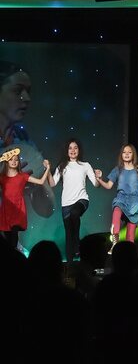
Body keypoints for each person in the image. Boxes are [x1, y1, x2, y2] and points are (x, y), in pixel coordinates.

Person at [0, 61, 54, 220]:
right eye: (18, 91)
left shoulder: (24, 140)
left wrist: (36, 185)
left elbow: (46, 209)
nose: (27, 98)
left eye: (28, 91)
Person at [96, 144, 138, 251]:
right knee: (117, 210)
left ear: (133, 154)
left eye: (129, 152)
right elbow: (109, 185)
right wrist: (99, 179)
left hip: (134, 203)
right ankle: (115, 240)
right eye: (124, 152)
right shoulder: (118, 170)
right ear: (121, 154)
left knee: (130, 236)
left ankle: (129, 253)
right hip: (121, 199)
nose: (127, 154)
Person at [49, 139, 100, 262]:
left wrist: (98, 177)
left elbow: (96, 184)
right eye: (70, 148)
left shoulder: (85, 165)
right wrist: (48, 169)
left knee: (75, 213)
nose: (73, 150)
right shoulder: (62, 166)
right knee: (68, 234)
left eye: (75, 147)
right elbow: (52, 183)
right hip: (66, 203)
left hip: (82, 200)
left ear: (79, 150)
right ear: (67, 151)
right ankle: (70, 265)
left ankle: (77, 245)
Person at [0, 153, 51, 250]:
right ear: (6, 161)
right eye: (11, 159)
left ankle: (14, 255)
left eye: (16, 159)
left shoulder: (22, 176)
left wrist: (48, 168)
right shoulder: (2, 177)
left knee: (14, 235)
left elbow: (40, 181)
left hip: (18, 210)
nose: (14, 162)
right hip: (6, 211)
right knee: (8, 240)